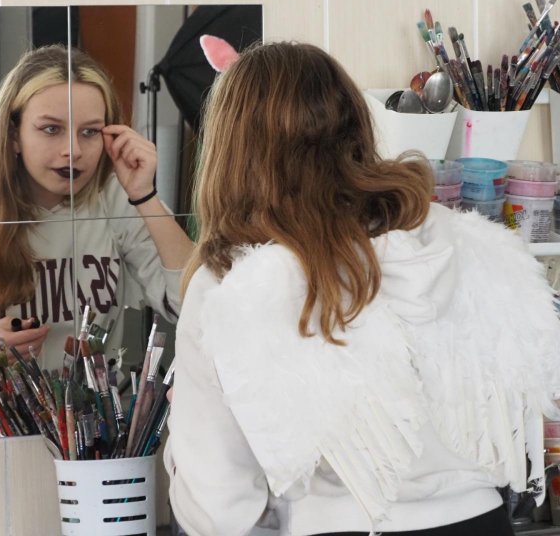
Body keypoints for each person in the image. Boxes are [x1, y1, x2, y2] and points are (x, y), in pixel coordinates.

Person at [164, 42, 560, 536]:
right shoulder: (464, 240)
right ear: (356, 127)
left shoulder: (231, 281)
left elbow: (217, 509)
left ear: (231, 151)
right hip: (480, 520)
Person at [0, 45, 193, 440]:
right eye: (51, 129)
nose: (73, 150)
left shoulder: (115, 201)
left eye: (89, 132)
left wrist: (145, 196)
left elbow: (195, 301)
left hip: (103, 433)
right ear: (13, 134)